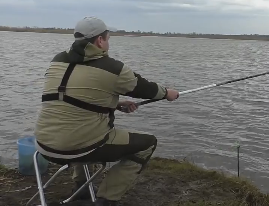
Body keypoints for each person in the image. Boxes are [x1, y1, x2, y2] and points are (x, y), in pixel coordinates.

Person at [34, 16, 179, 206]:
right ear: (100, 40)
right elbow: (145, 89)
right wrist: (167, 93)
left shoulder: (57, 61)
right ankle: (105, 201)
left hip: (43, 146)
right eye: (108, 38)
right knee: (147, 144)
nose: (108, 43)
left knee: (82, 128)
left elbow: (71, 98)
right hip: (78, 148)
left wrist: (115, 105)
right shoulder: (113, 68)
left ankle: (82, 191)